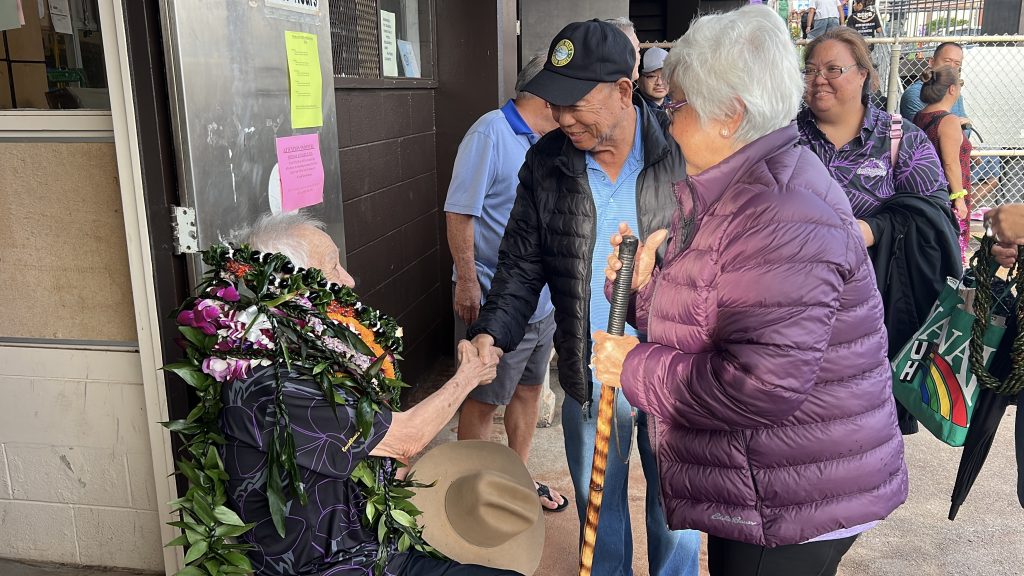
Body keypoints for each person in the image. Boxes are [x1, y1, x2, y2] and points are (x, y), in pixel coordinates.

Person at [591, 7, 908, 575]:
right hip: (774, 481)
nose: (668, 119)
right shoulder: (747, 189)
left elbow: (759, 384)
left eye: (679, 104)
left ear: (729, 115)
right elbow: (721, 316)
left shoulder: (779, 211)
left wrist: (633, 366)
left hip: (791, 498)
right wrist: (640, 293)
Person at [467, 19, 701, 576]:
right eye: (556, 101)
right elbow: (522, 264)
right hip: (587, 372)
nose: (562, 117)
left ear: (625, 90)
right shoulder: (547, 162)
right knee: (601, 513)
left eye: (577, 102)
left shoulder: (681, 153)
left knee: (679, 515)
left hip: (672, 373)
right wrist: (491, 332)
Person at [219, 212, 524, 576]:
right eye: (332, 267)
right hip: (331, 564)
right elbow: (403, 439)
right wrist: (467, 377)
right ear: (287, 285)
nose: (348, 279)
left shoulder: (311, 350)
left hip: (370, 543)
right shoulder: (274, 380)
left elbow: (381, 453)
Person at [798, 27, 959, 434]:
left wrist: (874, 229)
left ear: (864, 75)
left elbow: (935, 215)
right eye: (811, 69)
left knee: (865, 428)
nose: (819, 78)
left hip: (878, 309)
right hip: (798, 310)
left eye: (833, 68)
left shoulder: (900, 138)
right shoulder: (785, 139)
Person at [444, 53, 566, 512]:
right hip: (496, 300)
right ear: (544, 92)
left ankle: (515, 481)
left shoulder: (550, 140)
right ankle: (470, 495)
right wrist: (467, 281)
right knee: (481, 399)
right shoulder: (490, 132)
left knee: (530, 390)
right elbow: (460, 212)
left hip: (543, 304)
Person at [900, 41, 1002, 213]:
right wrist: (958, 198)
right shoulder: (916, 96)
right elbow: (948, 160)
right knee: (950, 229)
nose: (953, 67)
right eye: (948, 61)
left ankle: (964, 208)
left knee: (992, 165)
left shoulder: (944, 107)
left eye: (957, 64)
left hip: (944, 168)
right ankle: (960, 210)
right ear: (931, 62)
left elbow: (963, 131)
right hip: (937, 175)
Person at [912, 66, 972, 263]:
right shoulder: (948, 120)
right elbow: (950, 163)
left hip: (925, 195)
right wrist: (959, 199)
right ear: (952, 89)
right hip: (946, 197)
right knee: (950, 251)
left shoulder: (919, 116)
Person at [637, 47, 672, 111]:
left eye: (665, 75)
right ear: (638, 79)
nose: (659, 82)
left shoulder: (676, 104)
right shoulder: (633, 109)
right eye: (652, 76)